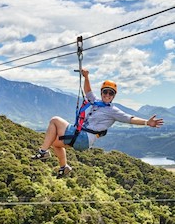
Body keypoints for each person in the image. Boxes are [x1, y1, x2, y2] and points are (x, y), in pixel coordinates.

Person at [31, 69, 164, 179]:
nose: (107, 95)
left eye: (110, 93)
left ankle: (43, 151)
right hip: (82, 138)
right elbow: (88, 91)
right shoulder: (95, 102)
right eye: (105, 92)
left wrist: (147, 122)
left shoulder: (113, 111)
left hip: (83, 137)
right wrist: (86, 77)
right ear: (101, 93)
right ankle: (63, 167)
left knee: (55, 120)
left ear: (113, 96)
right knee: (55, 144)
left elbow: (130, 118)